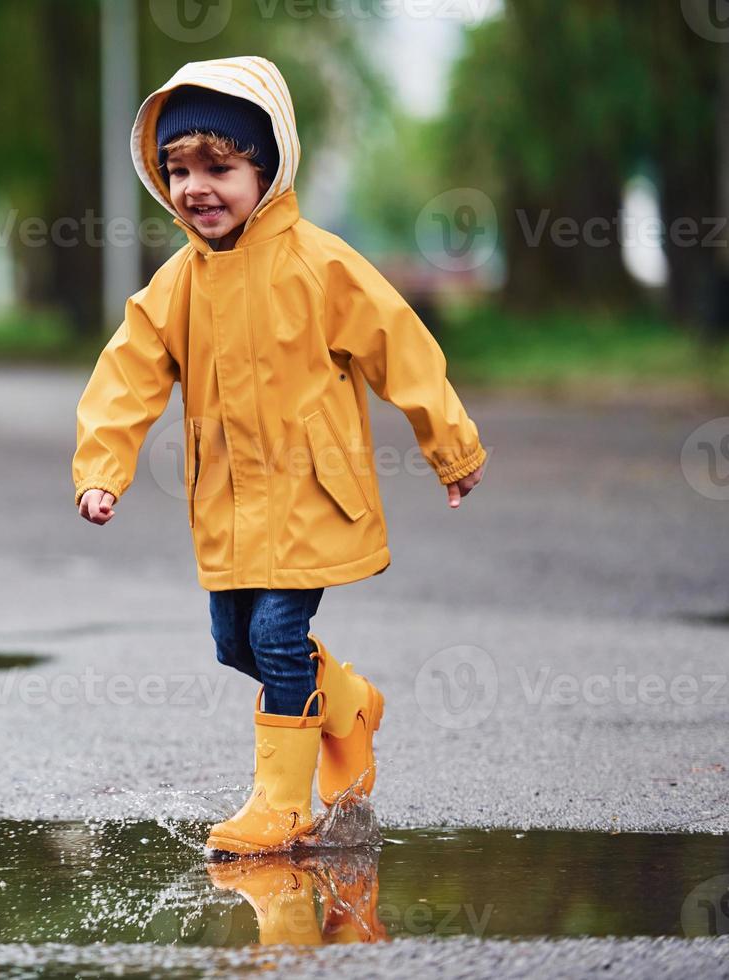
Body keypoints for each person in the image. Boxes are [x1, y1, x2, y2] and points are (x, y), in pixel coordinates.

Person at [71, 56, 487, 857]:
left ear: (268, 167)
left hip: (312, 493)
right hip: (228, 501)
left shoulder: (319, 263)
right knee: (236, 643)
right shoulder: (177, 284)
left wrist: (450, 443)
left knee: (272, 635)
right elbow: (124, 376)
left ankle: (281, 804)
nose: (198, 187)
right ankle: (349, 703)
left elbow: (398, 345)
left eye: (220, 168)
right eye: (179, 169)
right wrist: (101, 470)